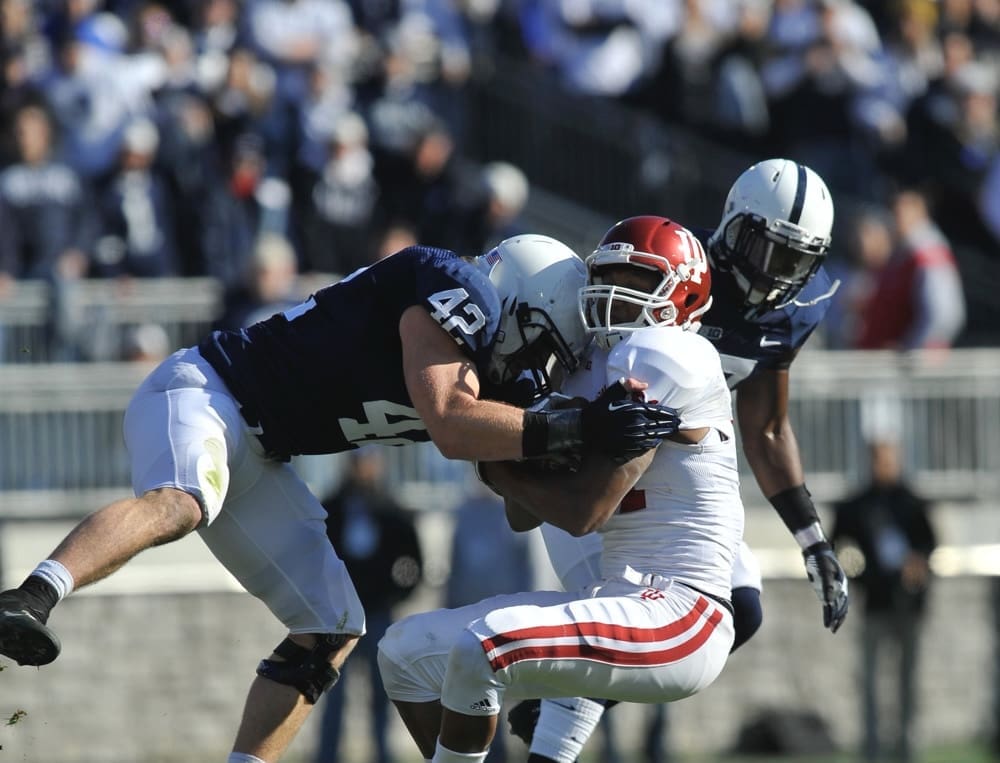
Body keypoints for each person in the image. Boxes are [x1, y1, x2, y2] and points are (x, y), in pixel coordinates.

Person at [0, 234, 680, 763]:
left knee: (331, 626)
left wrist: (585, 450)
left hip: (264, 447)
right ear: (517, 304)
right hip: (205, 391)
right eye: (543, 346)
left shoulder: (493, 367)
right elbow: (448, 421)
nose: (540, 368)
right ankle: (30, 596)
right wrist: (576, 426)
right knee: (183, 501)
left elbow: (517, 507)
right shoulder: (453, 282)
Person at [510, 158, 851, 762]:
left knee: (739, 610)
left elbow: (767, 428)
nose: (777, 274)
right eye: (766, 250)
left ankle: (555, 703)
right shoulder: (670, 265)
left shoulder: (793, 310)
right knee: (605, 621)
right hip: (603, 469)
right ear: (733, 227)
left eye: (793, 260)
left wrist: (812, 538)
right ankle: (549, 723)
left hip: (677, 486)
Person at [377, 215, 743, 763]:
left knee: (486, 644)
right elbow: (521, 516)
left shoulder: (671, 354)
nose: (615, 294)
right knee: (402, 654)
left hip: (683, 610)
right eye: (609, 276)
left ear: (683, 293)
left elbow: (582, 511)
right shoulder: (580, 369)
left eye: (638, 281)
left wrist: (500, 464)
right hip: (612, 594)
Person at [832, 437, 938, 763]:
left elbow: (929, 545)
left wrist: (917, 564)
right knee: (870, 684)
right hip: (874, 604)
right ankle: (873, 752)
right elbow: (841, 548)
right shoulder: (856, 505)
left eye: (889, 459)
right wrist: (860, 573)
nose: (884, 465)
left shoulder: (913, 503)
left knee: (907, 682)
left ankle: (905, 750)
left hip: (909, 606)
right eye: (878, 459)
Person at [314, 448, 423, 763]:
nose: (363, 468)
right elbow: (316, 561)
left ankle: (383, 756)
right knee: (332, 696)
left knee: (380, 696)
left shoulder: (391, 509)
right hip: (337, 621)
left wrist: (395, 595)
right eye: (358, 462)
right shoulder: (330, 509)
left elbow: (412, 562)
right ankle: (326, 757)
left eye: (369, 462)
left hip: (378, 616)